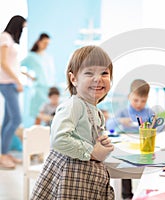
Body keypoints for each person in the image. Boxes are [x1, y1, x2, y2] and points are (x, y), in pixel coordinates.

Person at [31, 45, 115, 199]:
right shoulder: (74, 105)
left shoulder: (96, 110)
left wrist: (102, 144)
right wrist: (92, 151)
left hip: (84, 179)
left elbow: (88, 138)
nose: (98, 79)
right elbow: (59, 139)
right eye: (89, 73)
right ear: (73, 79)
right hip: (70, 176)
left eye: (104, 73)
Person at [106, 79, 162, 200]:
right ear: (129, 96)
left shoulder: (149, 112)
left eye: (143, 101)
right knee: (126, 167)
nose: (139, 104)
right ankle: (127, 195)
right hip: (128, 146)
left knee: (148, 167)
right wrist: (120, 121)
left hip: (145, 146)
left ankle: (147, 193)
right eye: (135, 100)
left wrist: (154, 124)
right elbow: (109, 125)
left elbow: (161, 128)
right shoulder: (123, 112)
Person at [0, 15, 26, 170]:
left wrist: (22, 75)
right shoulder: (5, 38)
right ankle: (2, 155)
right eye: (22, 27)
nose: (22, 30)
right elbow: (2, 62)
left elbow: (10, 62)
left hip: (9, 82)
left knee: (8, 119)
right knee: (16, 119)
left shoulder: (7, 38)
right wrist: (17, 80)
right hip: (7, 83)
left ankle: (4, 152)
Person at [21, 33, 53, 120]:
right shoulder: (31, 56)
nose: (46, 46)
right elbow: (18, 66)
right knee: (38, 113)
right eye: (44, 43)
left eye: (48, 44)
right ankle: (36, 132)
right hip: (38, 87)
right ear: (39, 42)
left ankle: (43, 132)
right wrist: (30, 76)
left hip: (48, 88)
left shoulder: (47, 56)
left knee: (47, 113)